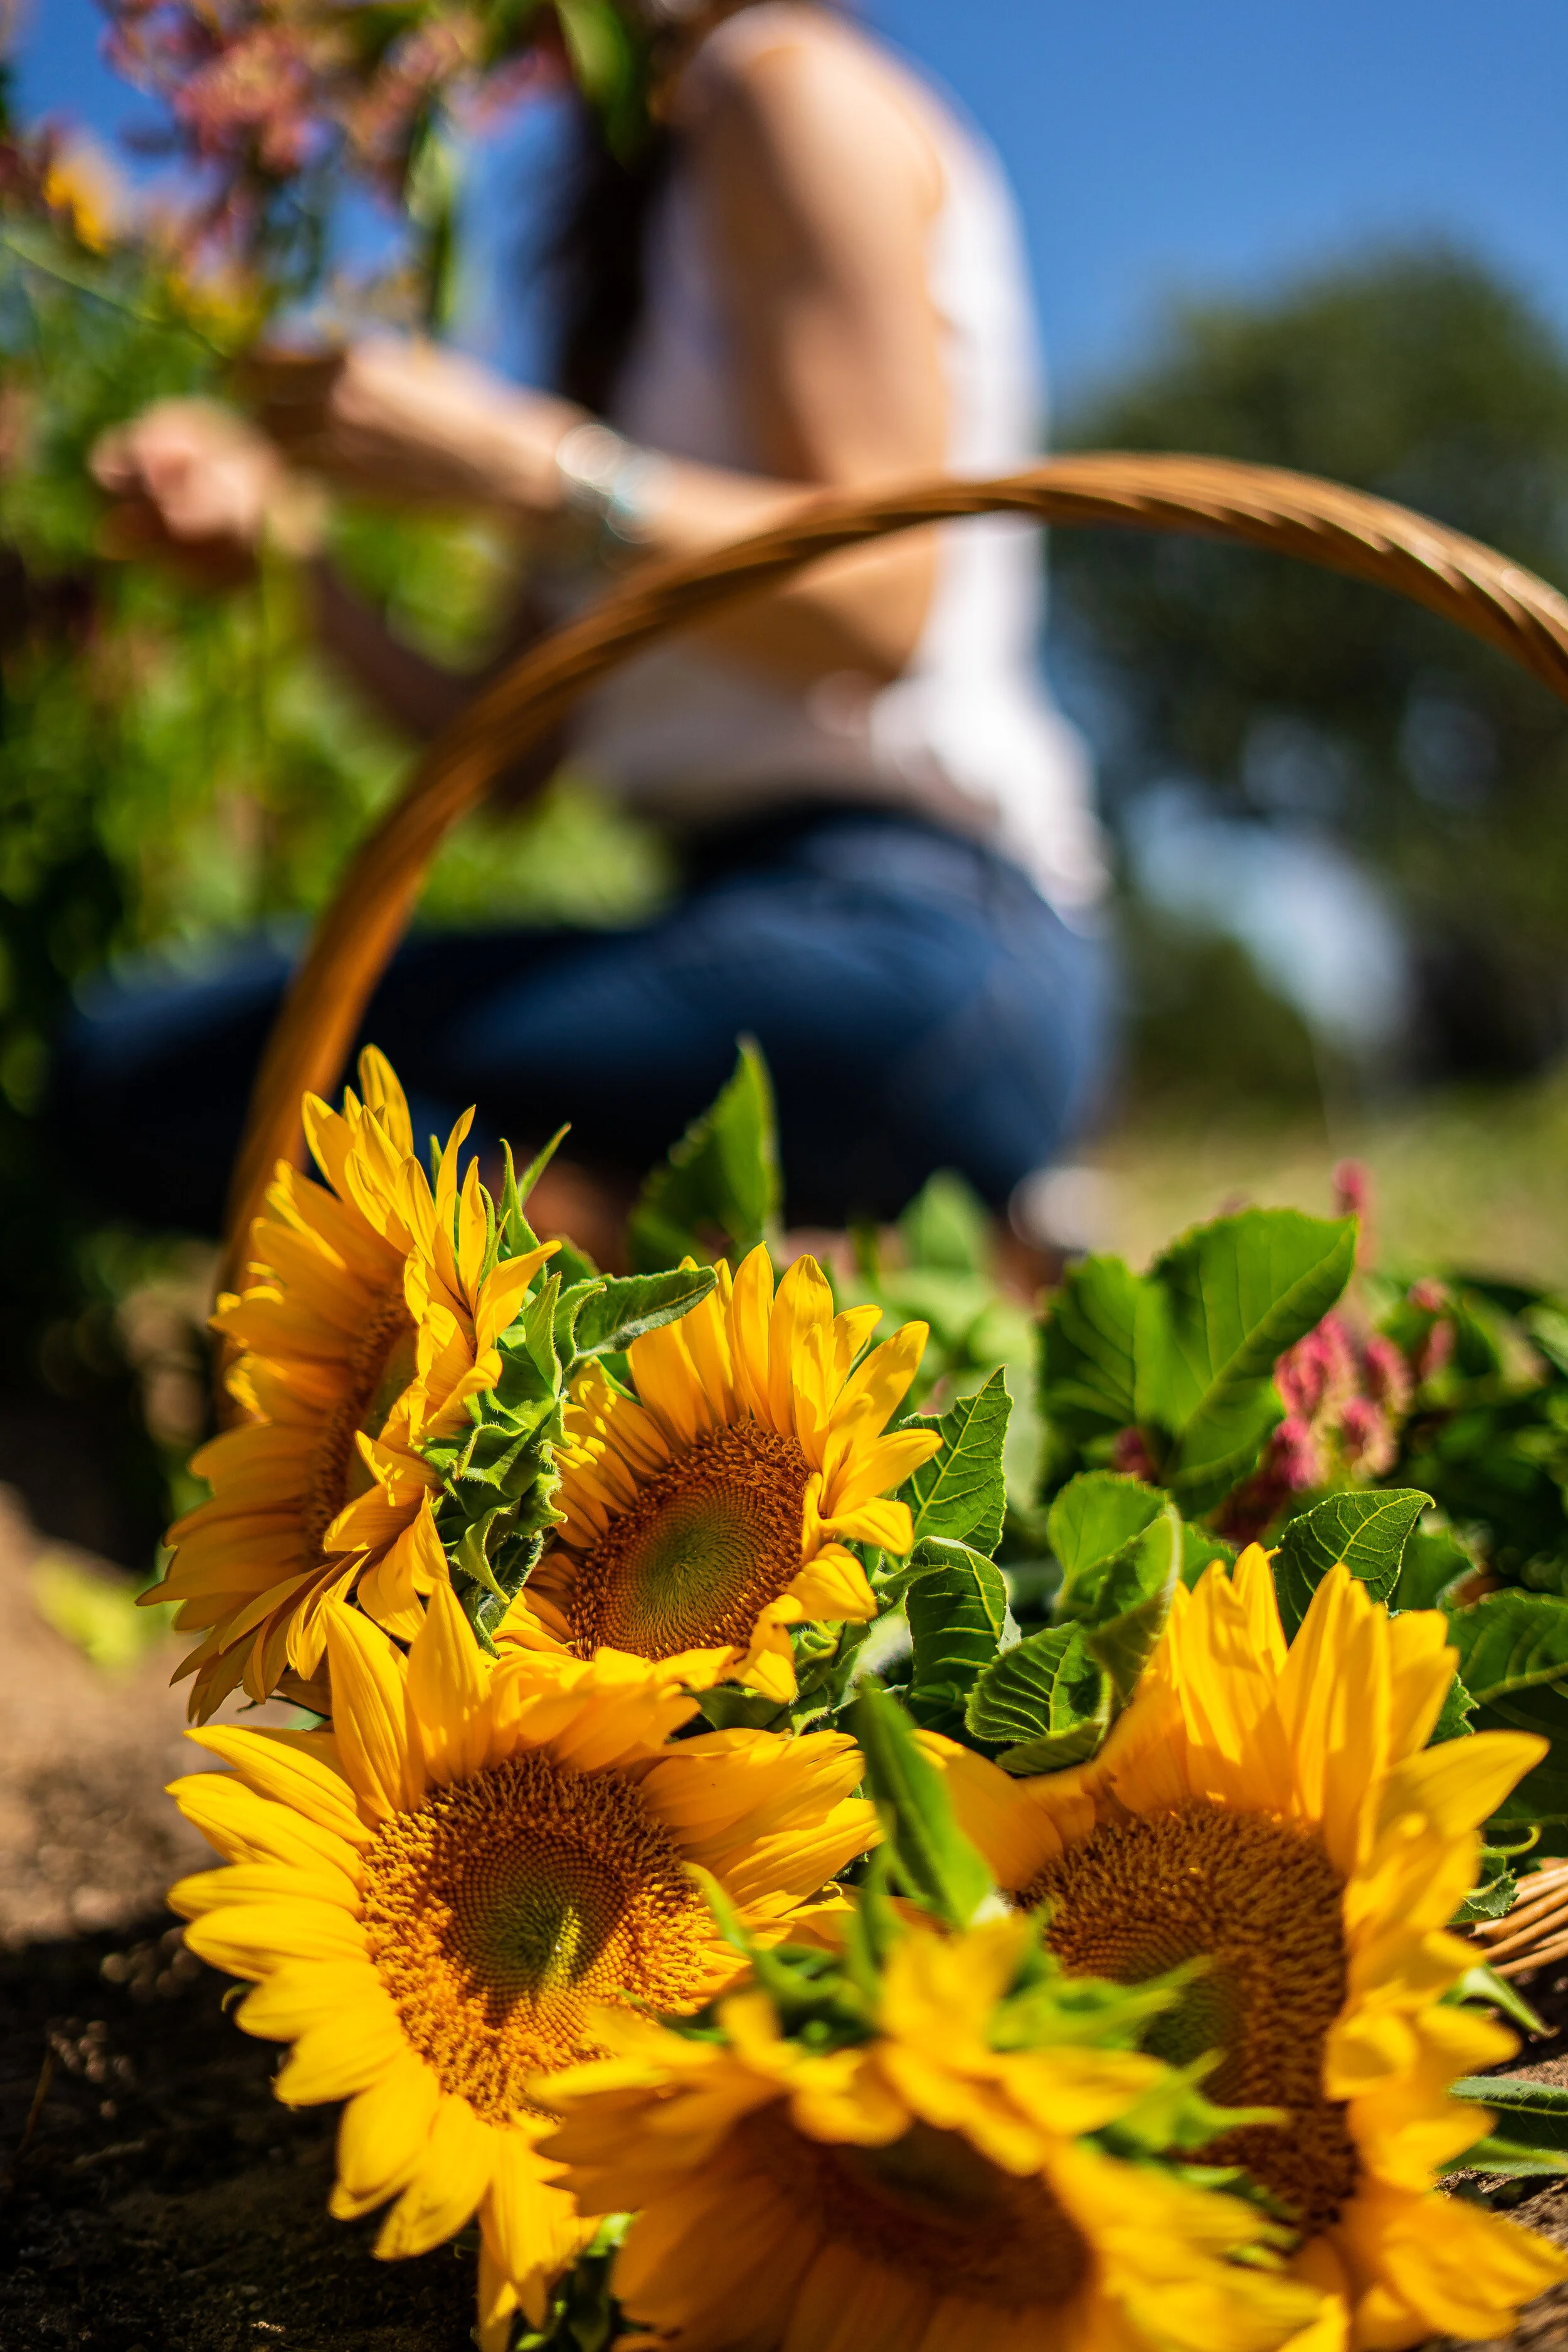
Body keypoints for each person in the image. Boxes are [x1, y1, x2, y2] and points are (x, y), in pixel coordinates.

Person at [69, 0, 1108, 1268]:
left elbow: (878, 598)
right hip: (746, 928)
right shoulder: (623, 233)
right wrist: (292, 557)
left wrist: (532, 470)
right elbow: (503, 751)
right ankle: (843, 1276)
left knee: (184, 1082)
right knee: (174, 1081)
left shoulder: (784, 83)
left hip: (925, 938)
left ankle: (799, 1298)